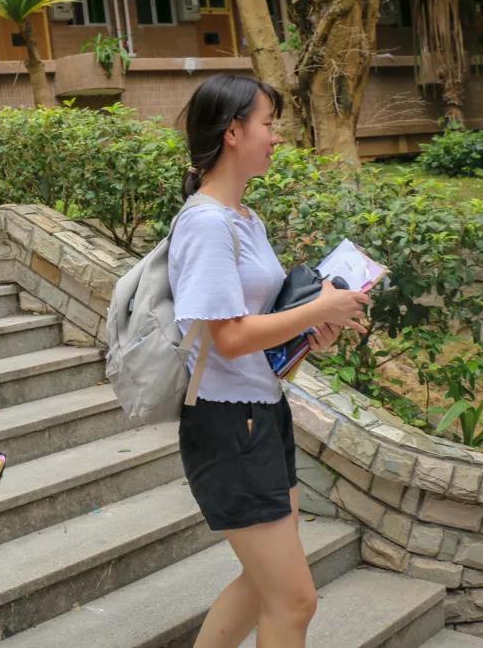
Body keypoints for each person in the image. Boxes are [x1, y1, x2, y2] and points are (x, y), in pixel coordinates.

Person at [168, 74, 371, 648]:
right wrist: (316, 309)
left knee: (263, 588)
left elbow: (256, 333)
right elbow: (229, 338)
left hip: (262, 412)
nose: (276, 136)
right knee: (293, 600)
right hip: (229, 423)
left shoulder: (244, 219)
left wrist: (313, 333)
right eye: (268, 123)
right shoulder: (206, 223)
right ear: (233, 132)